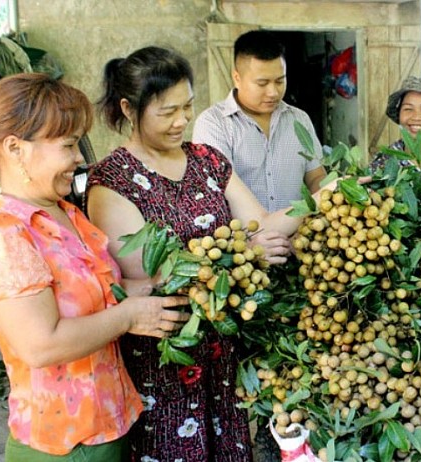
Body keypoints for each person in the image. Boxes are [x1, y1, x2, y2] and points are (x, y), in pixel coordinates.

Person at [88, 46, 345, 462]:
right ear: (128, 108)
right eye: (167, 111)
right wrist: (245, 251)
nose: (181, 121)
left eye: (187, 107)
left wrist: (322, 199)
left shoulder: (207, 160)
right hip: (165, 358)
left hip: (221, 351)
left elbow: (259, 224)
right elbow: (152, 279)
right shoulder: (111, 182)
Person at [0, 73, 189, 461]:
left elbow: (96, 296)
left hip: (107, 427)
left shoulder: (65, 214)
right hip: (62, 443)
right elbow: (41, 344)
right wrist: (128, 317)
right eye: (67, 144)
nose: (79, 157)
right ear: (16, 149)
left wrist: (154, 286)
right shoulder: (6, 235)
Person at [192, 30, 327, 212]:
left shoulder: (299, 120)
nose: (273, 92)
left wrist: (333, 196)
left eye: (280, 81)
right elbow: (216, 191)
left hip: (299, 236)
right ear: (237, 78)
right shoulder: (214, 124)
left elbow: (315, 176)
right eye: (262, 84)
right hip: (241, 238)